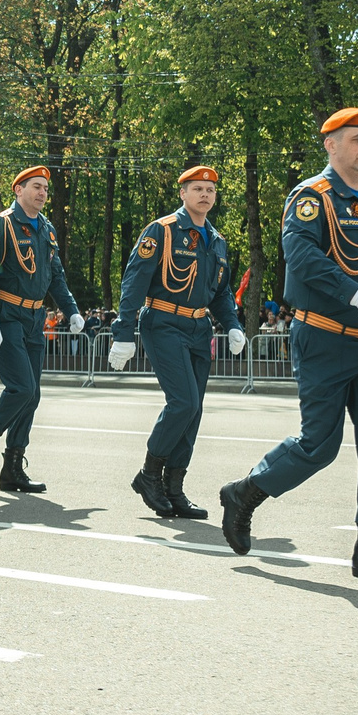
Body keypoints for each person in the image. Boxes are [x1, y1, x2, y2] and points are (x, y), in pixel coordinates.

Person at [219, 113, 358, 583]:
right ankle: (246, 491)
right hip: (324, 337)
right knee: (319, 445)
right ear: (331, 145)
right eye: (356, 139)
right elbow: (303, 258)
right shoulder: (313, 198)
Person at [111, 165, 240, 519]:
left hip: (200, 329)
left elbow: (221, 290)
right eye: (197, 189)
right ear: (182, 193)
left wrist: (233, 324)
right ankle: (149, 474)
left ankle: (174, 487)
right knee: (182, 402)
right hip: (164, 323)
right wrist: (123, 332)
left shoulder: (217, 240)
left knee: (194, 411)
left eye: (210, 190)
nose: (205, 195)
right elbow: (134, 281)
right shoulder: (162, 231)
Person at [0, 165, 81, 496]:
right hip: (8, 314)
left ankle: (13, 467)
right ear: (18, 190)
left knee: (33, 396)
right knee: (21, 388)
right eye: (35, 186)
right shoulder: (1, 224)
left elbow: (56, 276)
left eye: (46, 187)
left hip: (34, 317)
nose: (43, 192)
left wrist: (72, 310)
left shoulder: (46, 228)